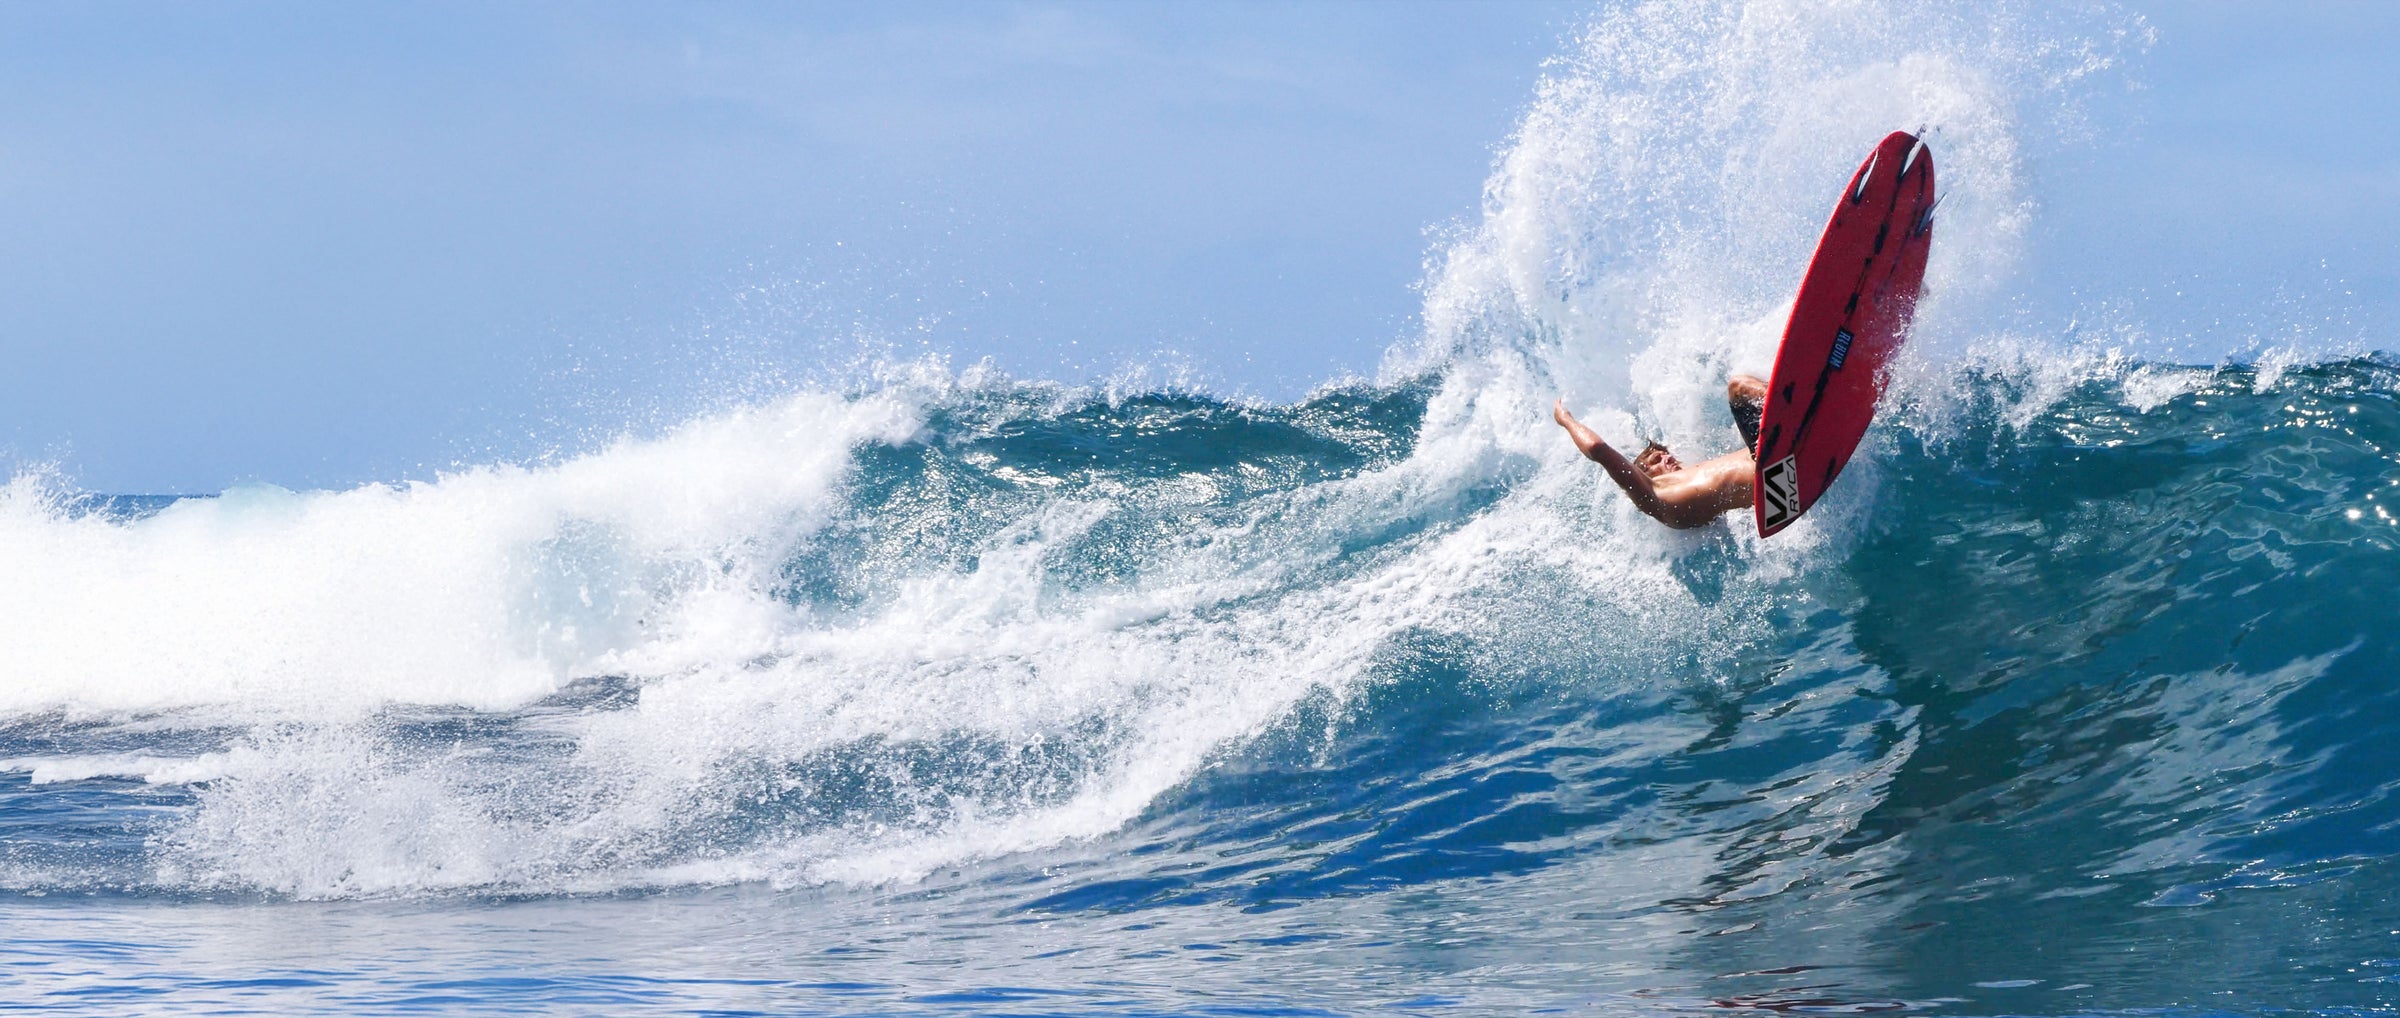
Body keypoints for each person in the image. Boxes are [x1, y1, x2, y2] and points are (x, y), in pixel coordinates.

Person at [1552, 375, 1768, 529]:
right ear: (1644, 474)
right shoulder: (1657, 496)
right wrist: (1566, 420)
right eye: (1657, 459)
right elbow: (1597, 449)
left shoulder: (1697, 476)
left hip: (1773, 462)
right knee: (1738, 387)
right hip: (1772, 472)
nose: (1667, 457)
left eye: (1664, 454)